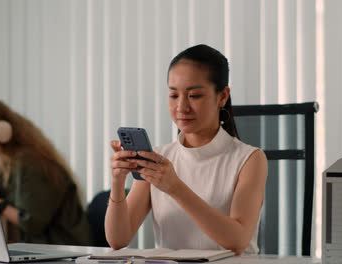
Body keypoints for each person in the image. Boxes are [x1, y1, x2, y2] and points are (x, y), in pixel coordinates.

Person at [105, 44, 268, 255]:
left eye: (194, 96)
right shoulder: (159, 158)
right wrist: (118, 182)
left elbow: (238, 241)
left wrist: (175, 188)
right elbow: (118, 239)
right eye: (174, 96)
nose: (181, 107)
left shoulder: (250, 159)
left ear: (222, 96)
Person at [0, 97, 91, 245]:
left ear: (1, 131)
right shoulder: (12, 162)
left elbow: (32, 224)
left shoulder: (30, 162)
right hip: (45, 248)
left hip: (64, 250)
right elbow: (0, 187)